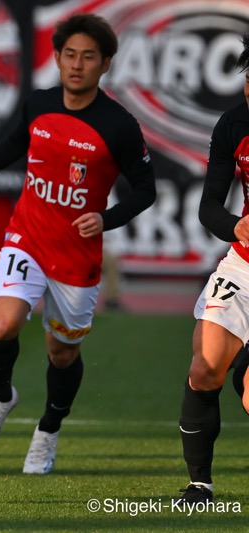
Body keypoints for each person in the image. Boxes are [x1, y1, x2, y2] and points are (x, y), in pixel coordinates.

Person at [0, 13, 155, 474]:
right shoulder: (38, 104)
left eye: (89, 57)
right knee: (3, 324)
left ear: (106, 64)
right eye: (70, 55)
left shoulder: (119, 125)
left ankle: (49, 430)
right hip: (28, 237)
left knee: (63, 353)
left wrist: (107, 217)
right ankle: (1, 398)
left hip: (76, 256)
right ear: (56, 58)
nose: (77, 65)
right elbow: (10, 144)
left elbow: (146, 189)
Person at [175, 34, 249, 504]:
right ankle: (199, 484)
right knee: (204, 367)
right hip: (244, 266)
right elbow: (208, 208)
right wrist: (237, 226)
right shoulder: (234, 124)